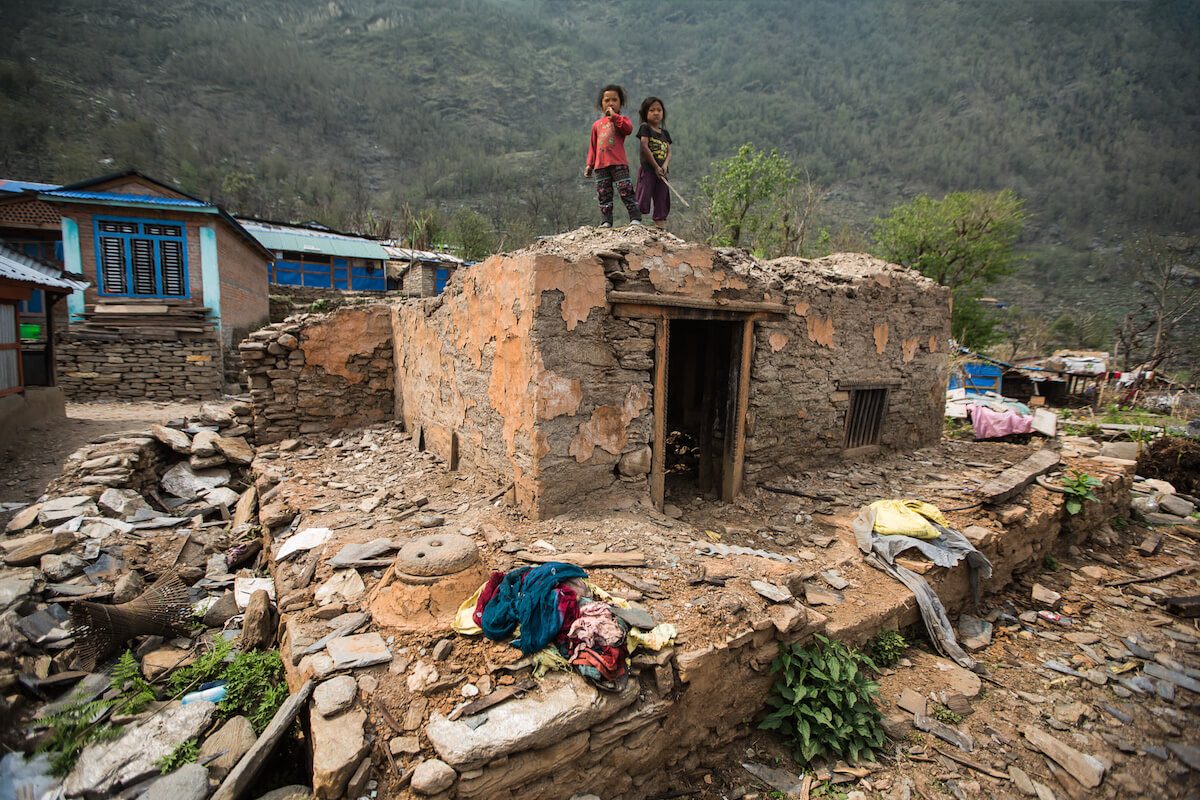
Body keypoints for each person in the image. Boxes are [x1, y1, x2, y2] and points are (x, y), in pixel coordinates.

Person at [584, 84, 643, 228]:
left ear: (620, 103)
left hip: (618, 163)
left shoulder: (622, 120)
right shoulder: (596, 125)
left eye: (614, 100)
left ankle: (635, 218)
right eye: (607, 100)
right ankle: (606, 221)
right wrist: (589, 165)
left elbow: (628, 130)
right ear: (601, 104)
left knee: (626, 190)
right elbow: (593, 147)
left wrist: (615, 117)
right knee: (604, 194)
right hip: (600, 166)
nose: (610, 103)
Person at [635, 96, 673, 228]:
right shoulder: (645, 127)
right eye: (651, 110)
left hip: (662, 172)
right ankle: (636, 222)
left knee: (662, 197)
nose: (656, 113)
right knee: (643, 196)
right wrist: (656, 166)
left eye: (659, 110)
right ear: (645, 113)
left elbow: (669, 151)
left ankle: (660, 227)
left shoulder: (665, 133)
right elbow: (644, 146)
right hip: (649, 170)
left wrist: (664, 165)